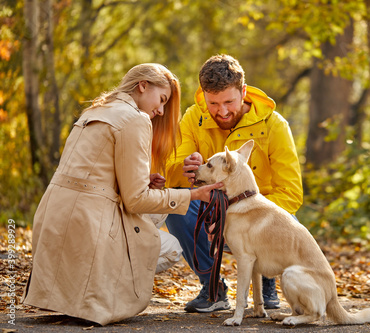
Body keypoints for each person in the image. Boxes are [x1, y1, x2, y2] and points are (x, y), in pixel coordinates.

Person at [22, 63, 222, 326]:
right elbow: (136, 200)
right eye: (161, 100)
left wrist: (143, 180)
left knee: (160, 210)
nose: (161, 110)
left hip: (53, 219)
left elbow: (92, 173)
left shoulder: (94, 110)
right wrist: (194, 194)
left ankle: (76, 292)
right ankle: (103, 292)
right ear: (142, 86)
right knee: (171, 246)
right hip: (89, 227)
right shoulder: (135, 119)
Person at [164, 54, 303, 313]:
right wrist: (186, 166)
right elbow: (170, 175)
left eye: (229, 101)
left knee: (290, 222)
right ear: (204, 96)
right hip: (209, 212)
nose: (222, 111)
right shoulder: (194, 118)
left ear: (244, 92)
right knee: (175, 208)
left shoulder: (274, 125)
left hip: (257, 218)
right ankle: (213, 287)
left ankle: (268, 278)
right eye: (213, 103)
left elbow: (291, 193)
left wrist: (237, 217)